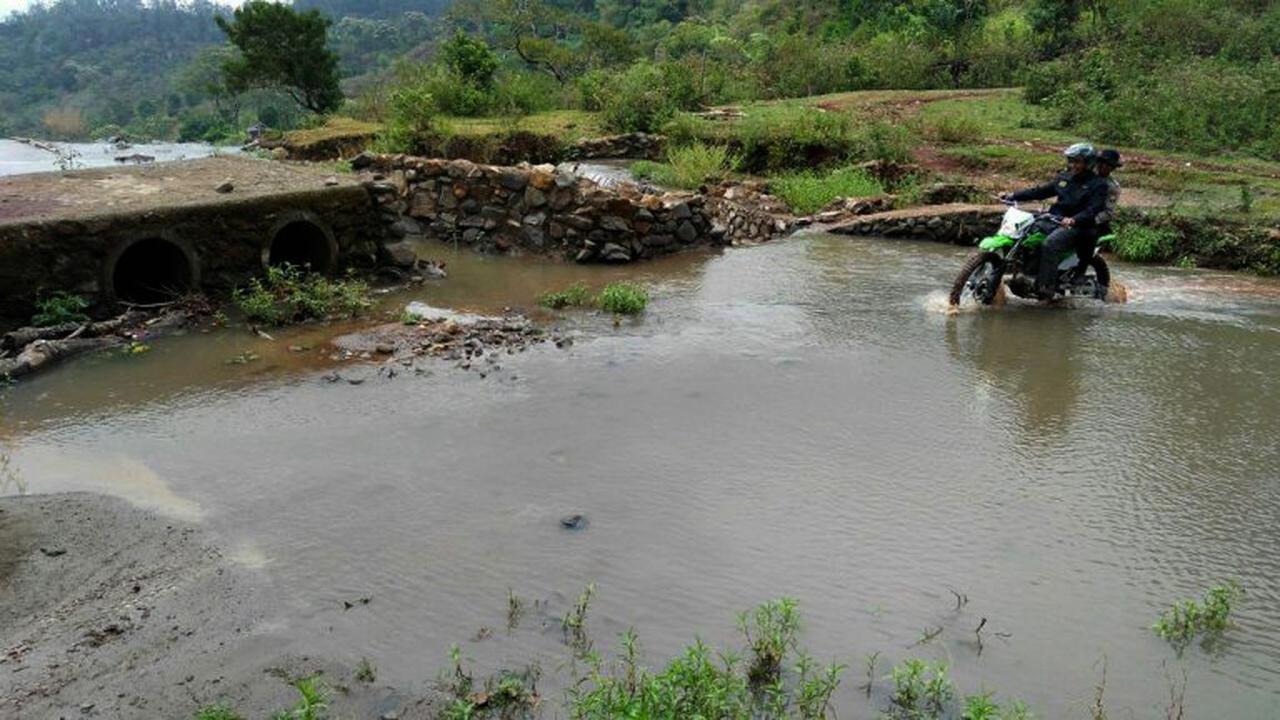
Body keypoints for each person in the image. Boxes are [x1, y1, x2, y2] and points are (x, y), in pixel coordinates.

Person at [1000, 143, 1108, 299]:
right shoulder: (1064, 178)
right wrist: (1013, 195)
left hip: (1079, 227)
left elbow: (1093, 209)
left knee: (1050, 244)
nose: (1073, 165)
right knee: (1025, 236)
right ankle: (1024, 272)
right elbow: (1041, 191)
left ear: (1088, 163)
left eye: (1077, 162)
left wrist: (1074, 220)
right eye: (1071, 161)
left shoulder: (1098, 185)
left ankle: (1045, 287)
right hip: (1054, 219)